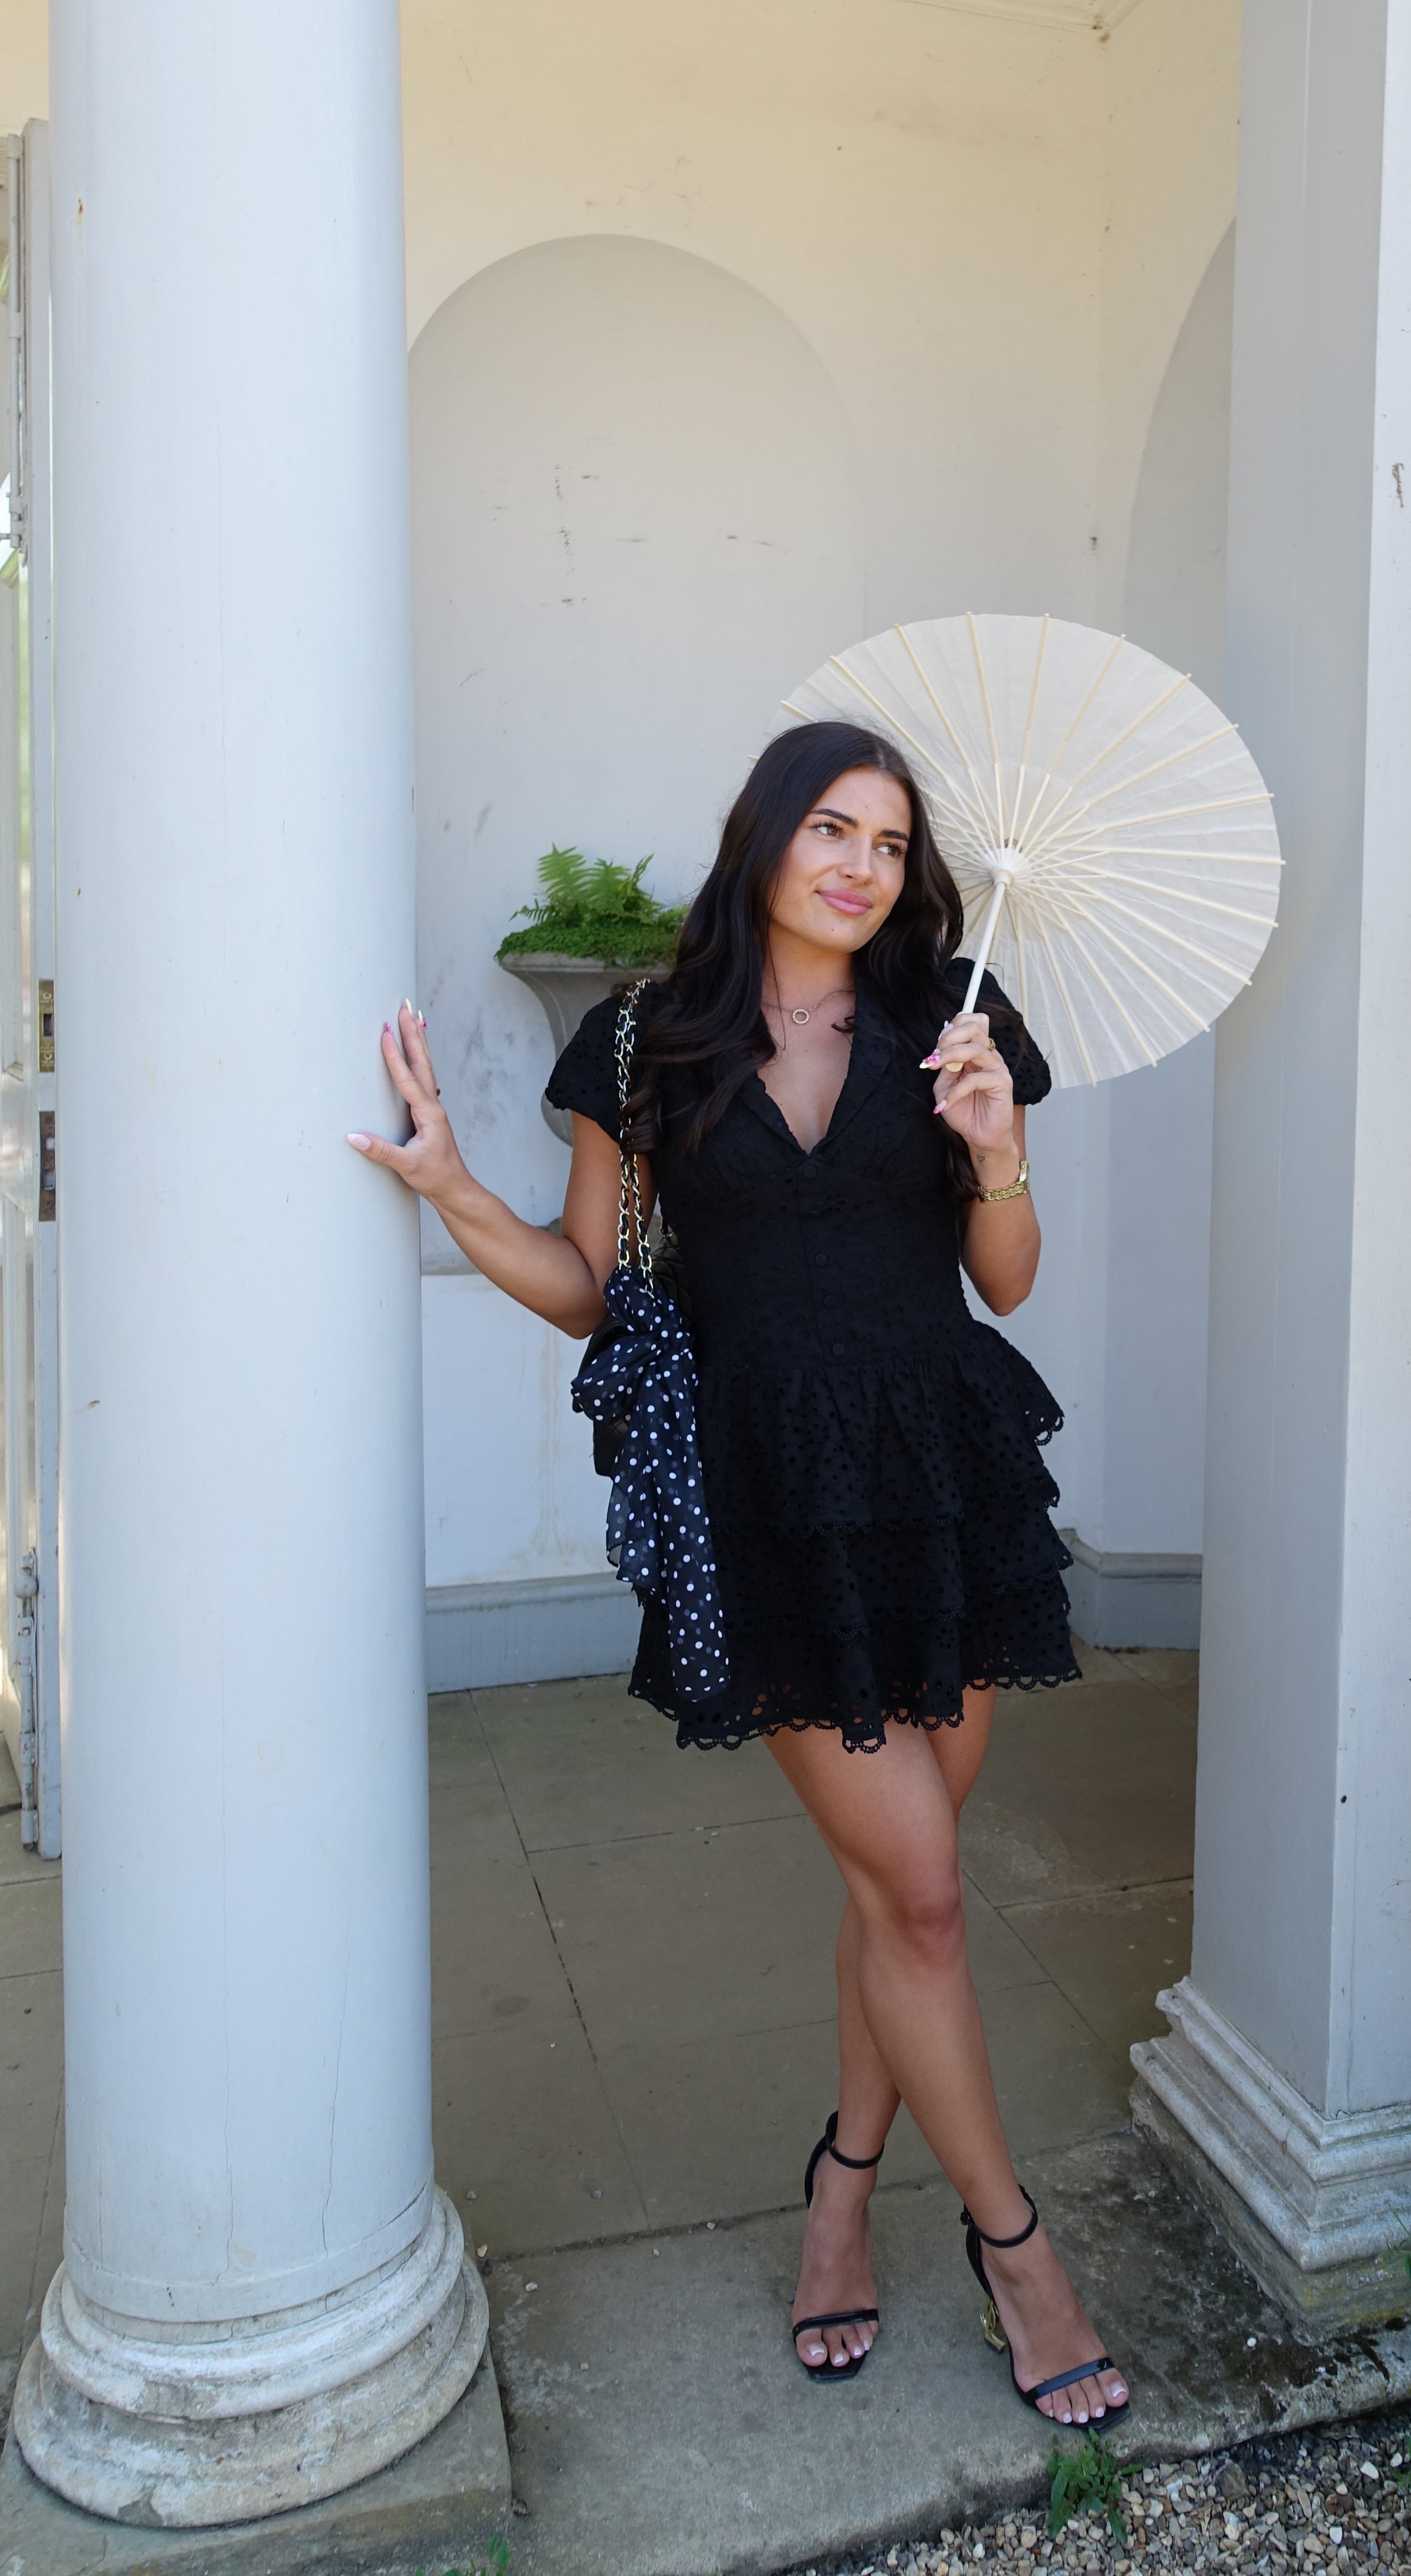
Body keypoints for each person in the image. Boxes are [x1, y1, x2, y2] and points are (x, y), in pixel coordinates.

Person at [350, 720, 1130, 2429]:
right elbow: (586, 1282)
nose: (860, 866)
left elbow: (1006, 1279)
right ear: (765, 836)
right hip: (762, 1504)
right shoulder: (647, 1041)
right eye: (831, 828)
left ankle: (841, 2184)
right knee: (924, 1895)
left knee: (896, 1893)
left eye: (890, 843)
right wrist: (451, 1190)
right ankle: (1017, 2251)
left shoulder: (955, 1021)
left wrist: (998, 1145)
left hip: (943, 1483)